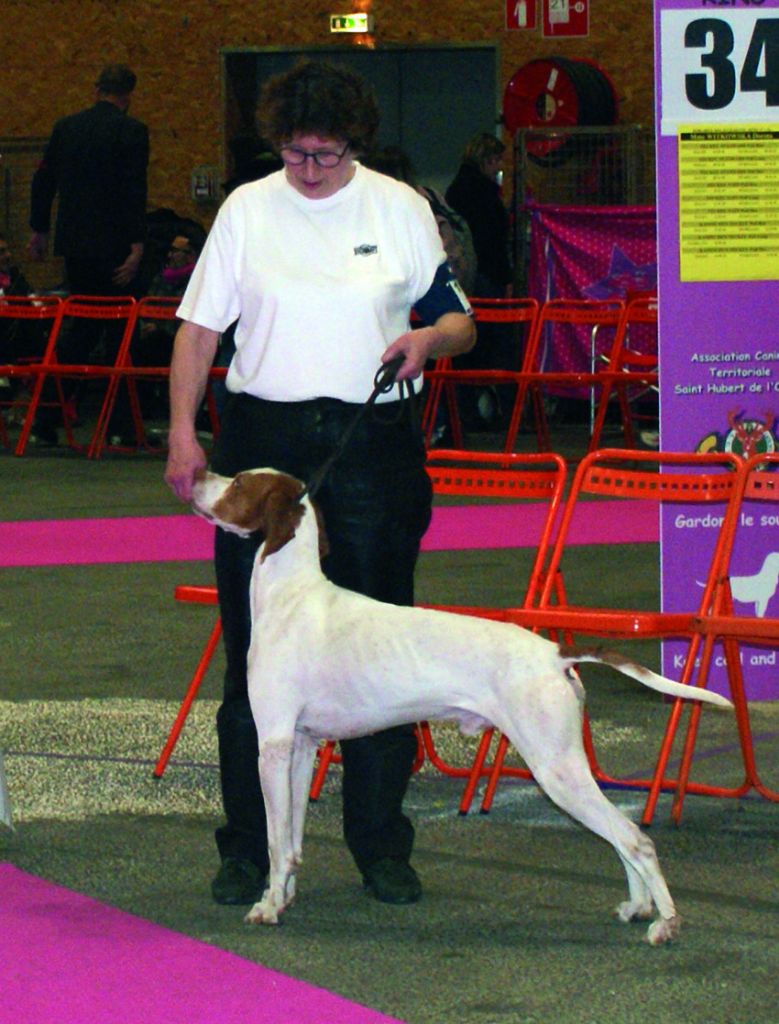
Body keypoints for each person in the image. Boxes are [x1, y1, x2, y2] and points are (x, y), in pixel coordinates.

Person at [164, 59, 475, 908]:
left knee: (382, 654)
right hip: (262, 443)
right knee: (254, 660)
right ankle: (248, 852)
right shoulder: (245, 210)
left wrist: (425, 344)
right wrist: (186, 432)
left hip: (370, 443)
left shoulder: (399, 206)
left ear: (354, 144)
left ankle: (381, 845)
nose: (309, 170)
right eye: (295, 153)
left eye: (326, 154)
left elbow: (457, 318)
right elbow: (197, 331)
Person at [27, 63, 149, 445]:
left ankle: (44, 416)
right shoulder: (132, 132)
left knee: (80, 329)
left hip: (76, 245)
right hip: (114, 245)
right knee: (121, 332)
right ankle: (119, 425)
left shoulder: (66, 128)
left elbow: (43, 178)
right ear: (127, 94)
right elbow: (133, 189)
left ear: (96, 89)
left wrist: (39, 228)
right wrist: (137, 243)